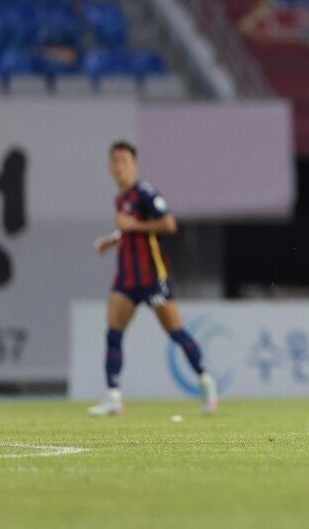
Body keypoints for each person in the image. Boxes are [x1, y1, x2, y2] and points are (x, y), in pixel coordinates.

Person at [88, 141, 217, 416]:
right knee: (113, 333)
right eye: (115, 161)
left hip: (152, 276)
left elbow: (169, 224)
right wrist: (112, 240)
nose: (119, 166)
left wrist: (132, 225)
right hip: (126, 278)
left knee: (175, 332)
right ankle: (113, 397)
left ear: (134, 164)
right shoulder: (120, 198)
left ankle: (206, 379)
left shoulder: (144, 192)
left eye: (124, 160)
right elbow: (129, 231)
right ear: (109, 167)